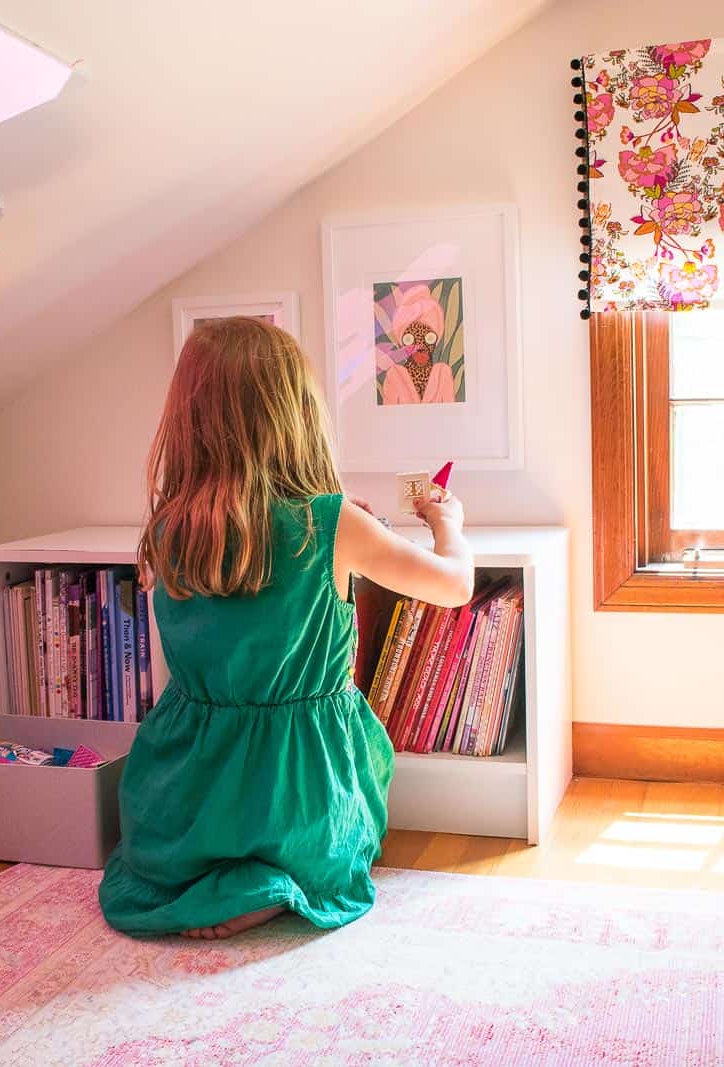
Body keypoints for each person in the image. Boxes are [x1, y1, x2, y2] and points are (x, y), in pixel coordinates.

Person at [99, 316, 474, 939]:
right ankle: (273, 882)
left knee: (161, 865)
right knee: (327, 833)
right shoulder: (330, 524)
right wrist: (449, 525)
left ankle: (210, 877)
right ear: (296, 413)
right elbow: (455, 586)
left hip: (182, 792)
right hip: (297, 790)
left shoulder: (169, 525)